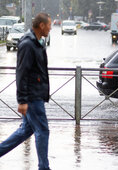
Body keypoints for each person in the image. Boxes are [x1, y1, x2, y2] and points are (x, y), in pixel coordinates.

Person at [0, 13, 52, 170]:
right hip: (32, 97)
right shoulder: (28, 44)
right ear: (41, 25)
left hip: (36, 95)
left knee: (25, 131)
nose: (50, 28)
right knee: (42, 130)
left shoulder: (36, 42)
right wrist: (22, 100)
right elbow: (21, 73)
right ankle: (44, 167)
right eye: (49, 25)